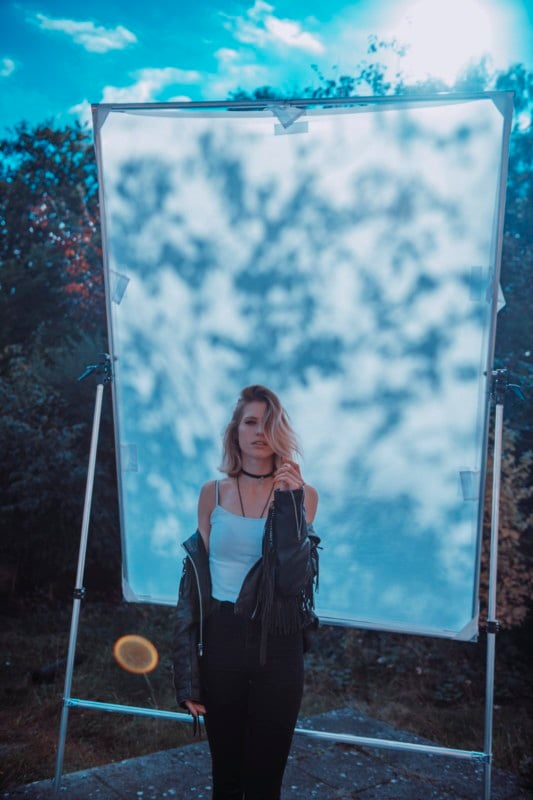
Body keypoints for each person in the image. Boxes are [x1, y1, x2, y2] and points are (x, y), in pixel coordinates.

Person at [173, 384, 320, 800]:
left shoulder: (304, 495)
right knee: (226, 777)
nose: (259, 431)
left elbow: (293, 582)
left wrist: (290, 504)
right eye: (250, 421)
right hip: (222, 638)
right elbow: (192, 591)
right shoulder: (212, 493)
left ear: (280, 432)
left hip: (279, 640)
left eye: (267, 423)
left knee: (264, 780)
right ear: (235, 431)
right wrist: (187, 674)